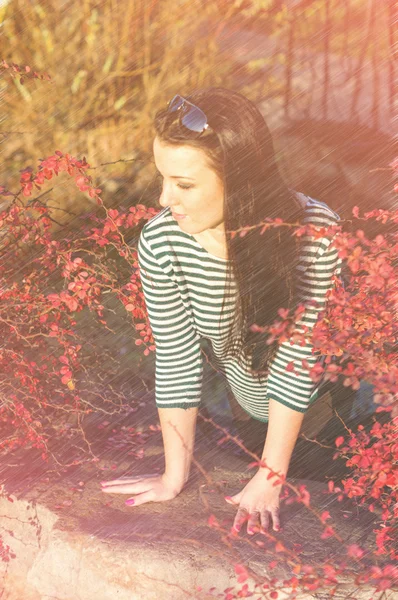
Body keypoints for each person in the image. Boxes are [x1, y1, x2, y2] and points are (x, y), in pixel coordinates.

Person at [100, 88, 342, 536]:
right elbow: (176, 358)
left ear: (241, 180)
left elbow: (296, 360)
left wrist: (272, 477)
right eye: (163, 178)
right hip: (251, 409)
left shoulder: (315, 232)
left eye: (185, 184)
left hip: (334, 415)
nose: (163, 199)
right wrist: (175, 476)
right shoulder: (162, 243)